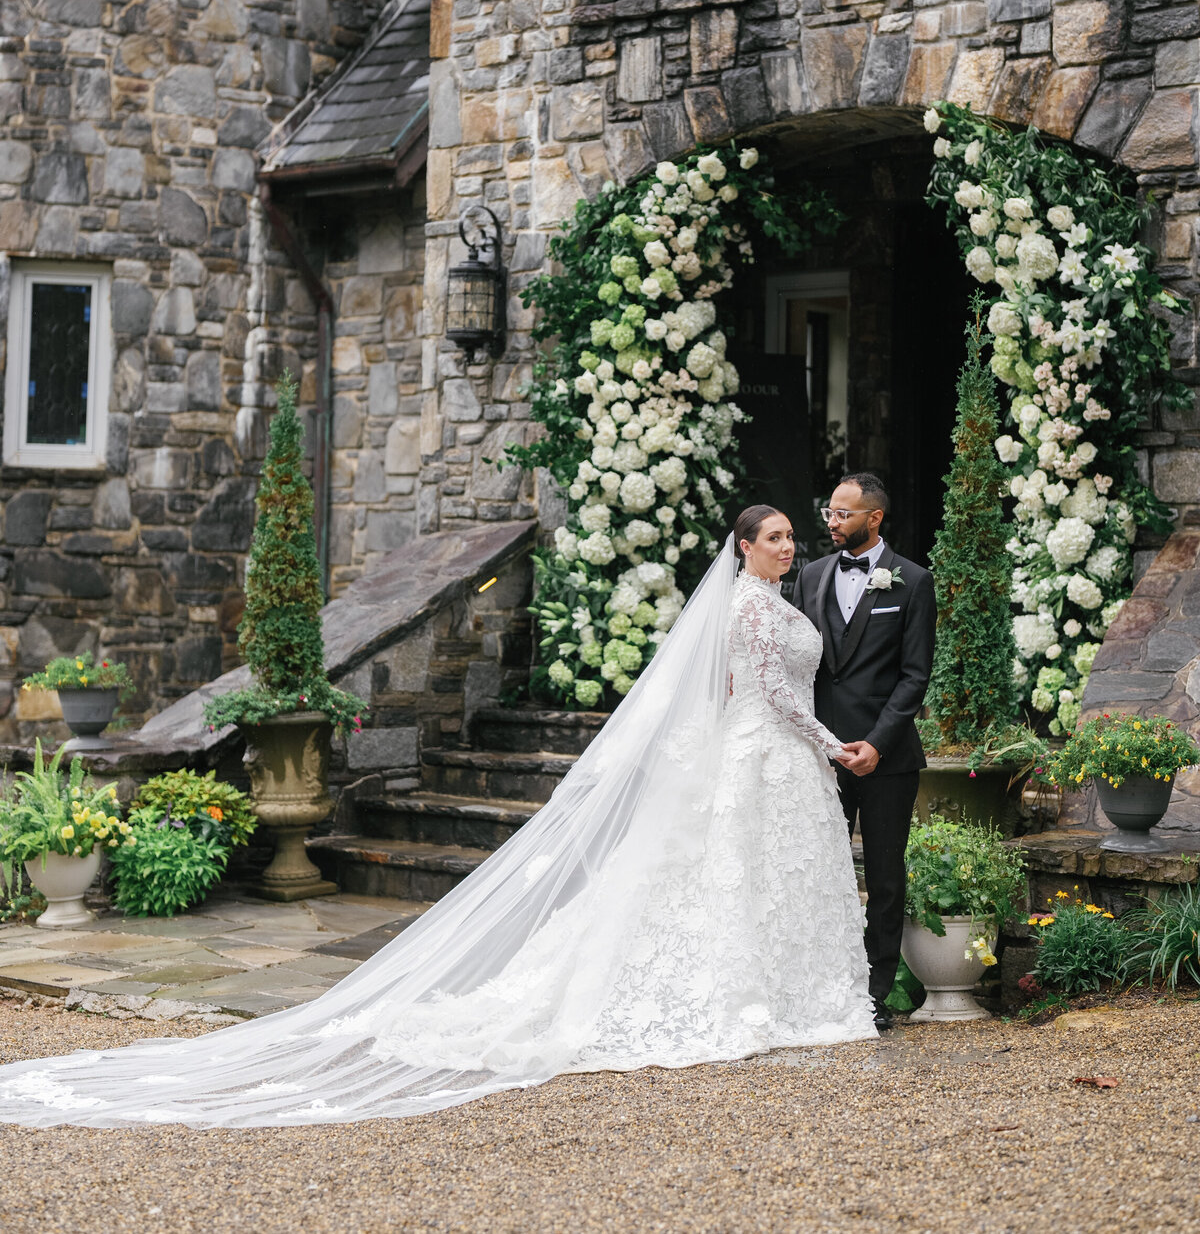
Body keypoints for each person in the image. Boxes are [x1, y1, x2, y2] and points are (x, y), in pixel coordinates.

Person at [0, 506, 875, 1130]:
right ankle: (750, 996)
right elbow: (761, 692)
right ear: (743, 550)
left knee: (751, 875)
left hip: (771, 761)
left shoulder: (770, 602)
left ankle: (783, 991)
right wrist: (836, 744)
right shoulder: (753, 608)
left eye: (792, 537)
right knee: (732, 875)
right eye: (775, 538)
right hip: (776, 752)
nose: (788, 547)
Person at [794, 472, 935, 1032]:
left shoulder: (913, 582)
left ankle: (875, 994)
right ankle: (820, 986)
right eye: (829, 512)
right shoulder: (808, 576)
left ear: (874, 518)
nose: (832, 522)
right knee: (816, 872)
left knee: (884, 876)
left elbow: (914, 676)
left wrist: (876, 744)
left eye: (843, 514)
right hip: (818, 756)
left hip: (887, 759)